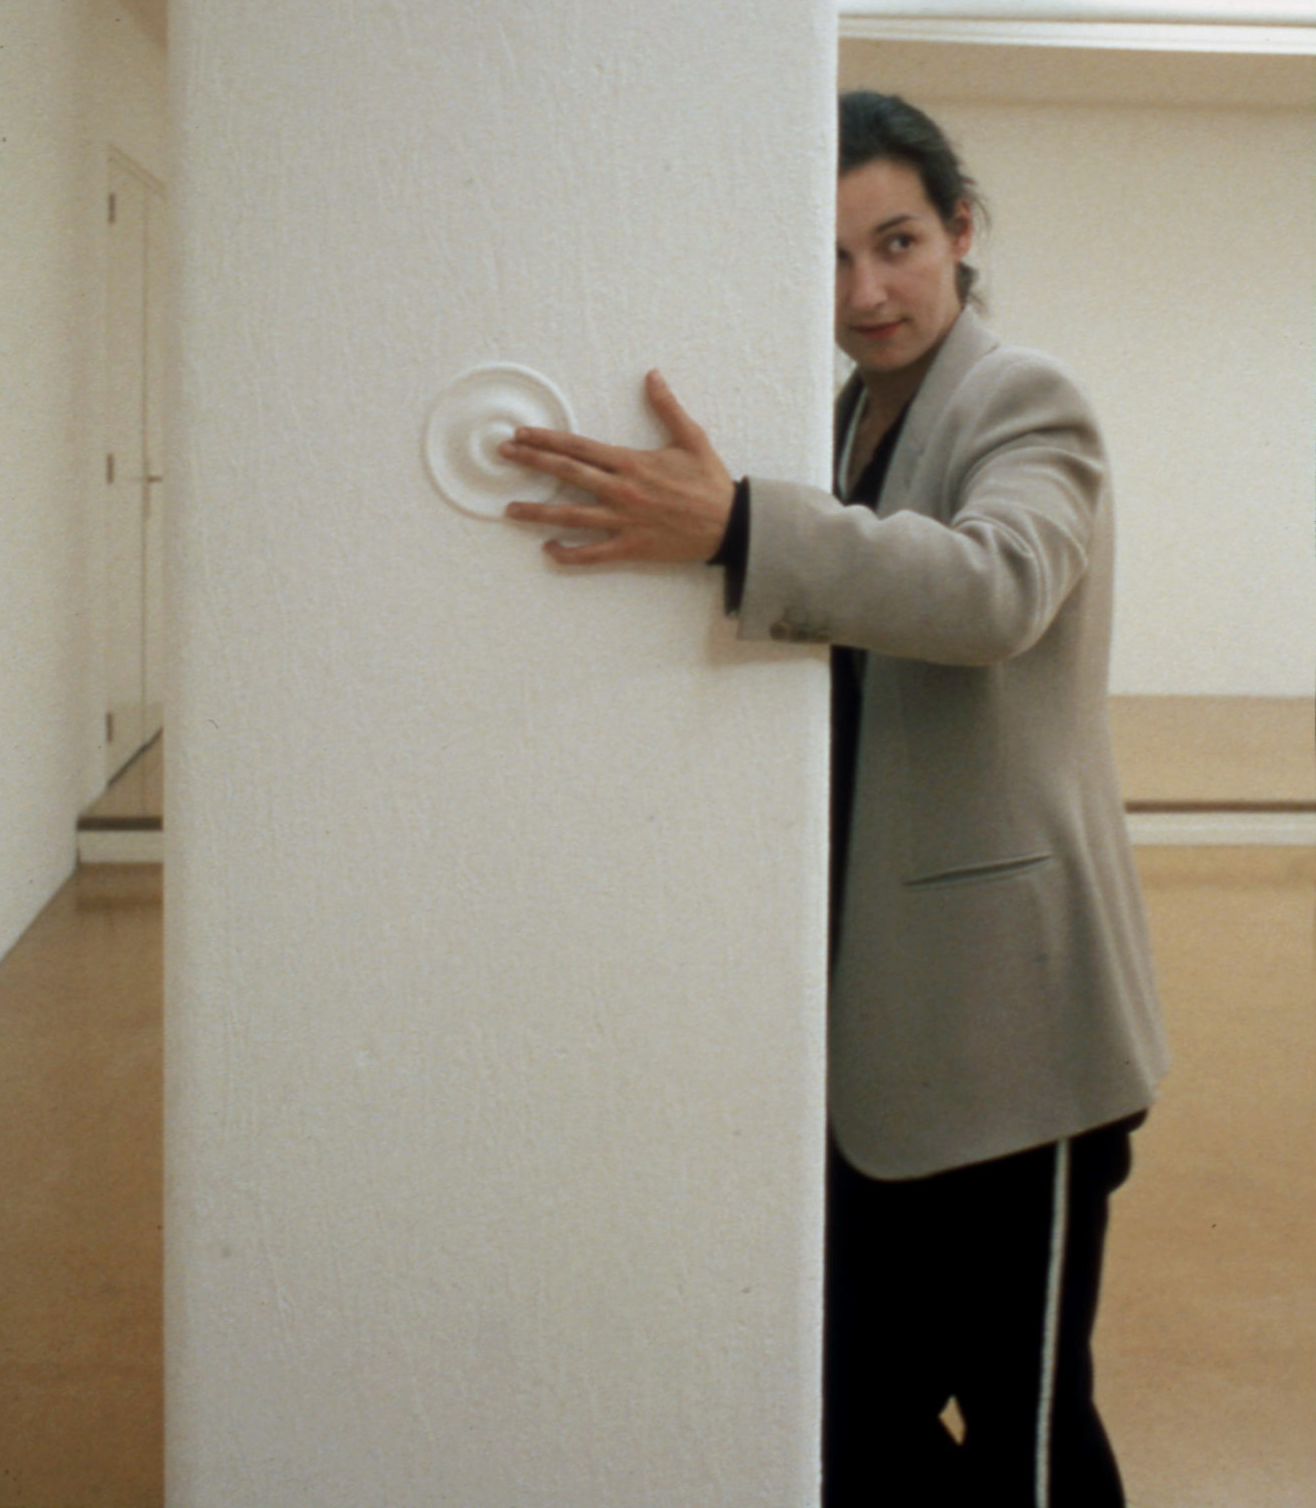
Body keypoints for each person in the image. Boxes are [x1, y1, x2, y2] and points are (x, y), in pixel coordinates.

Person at [499, 90, 1168, 1506]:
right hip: (881, 1042)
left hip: (1014, 1032)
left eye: (898, 242)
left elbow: (996, 590)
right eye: (832, 256)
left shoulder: (1021, 396)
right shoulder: (851, 415)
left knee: (1028, 1430)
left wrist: (737, 524)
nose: (864, 291)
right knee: (835, 1415)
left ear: (962, 234)